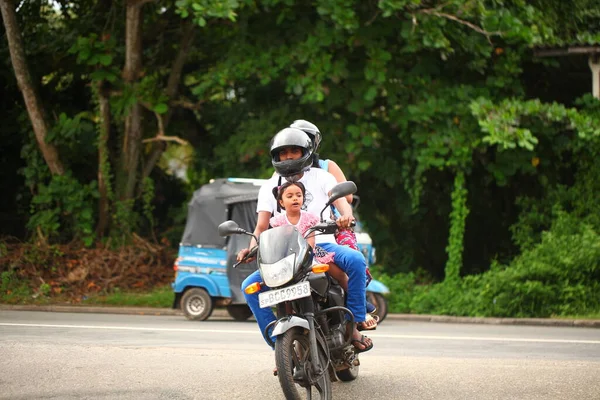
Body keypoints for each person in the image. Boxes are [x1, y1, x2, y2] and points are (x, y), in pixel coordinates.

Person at [238, 127, 374, 354]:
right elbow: (261, 227)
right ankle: (280, 349)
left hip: (323, 243)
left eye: (294, 151)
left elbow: (341, 202)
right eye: (283, 152)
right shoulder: (269, 186)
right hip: (284, 253)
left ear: (306, 152)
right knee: (248, 288)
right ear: (276, 156)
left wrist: (346, 215)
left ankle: (355, 322)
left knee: (356, 261)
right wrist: (251, 248)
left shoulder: (322, 176)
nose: (288, 157)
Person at [290, 119, 377, 328]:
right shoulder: (283, 175)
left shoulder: (325, 168)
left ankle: (358, 307)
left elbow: (345, 198)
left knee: (350, 261)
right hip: (298, 235)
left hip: (333, 226)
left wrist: (341, 217)